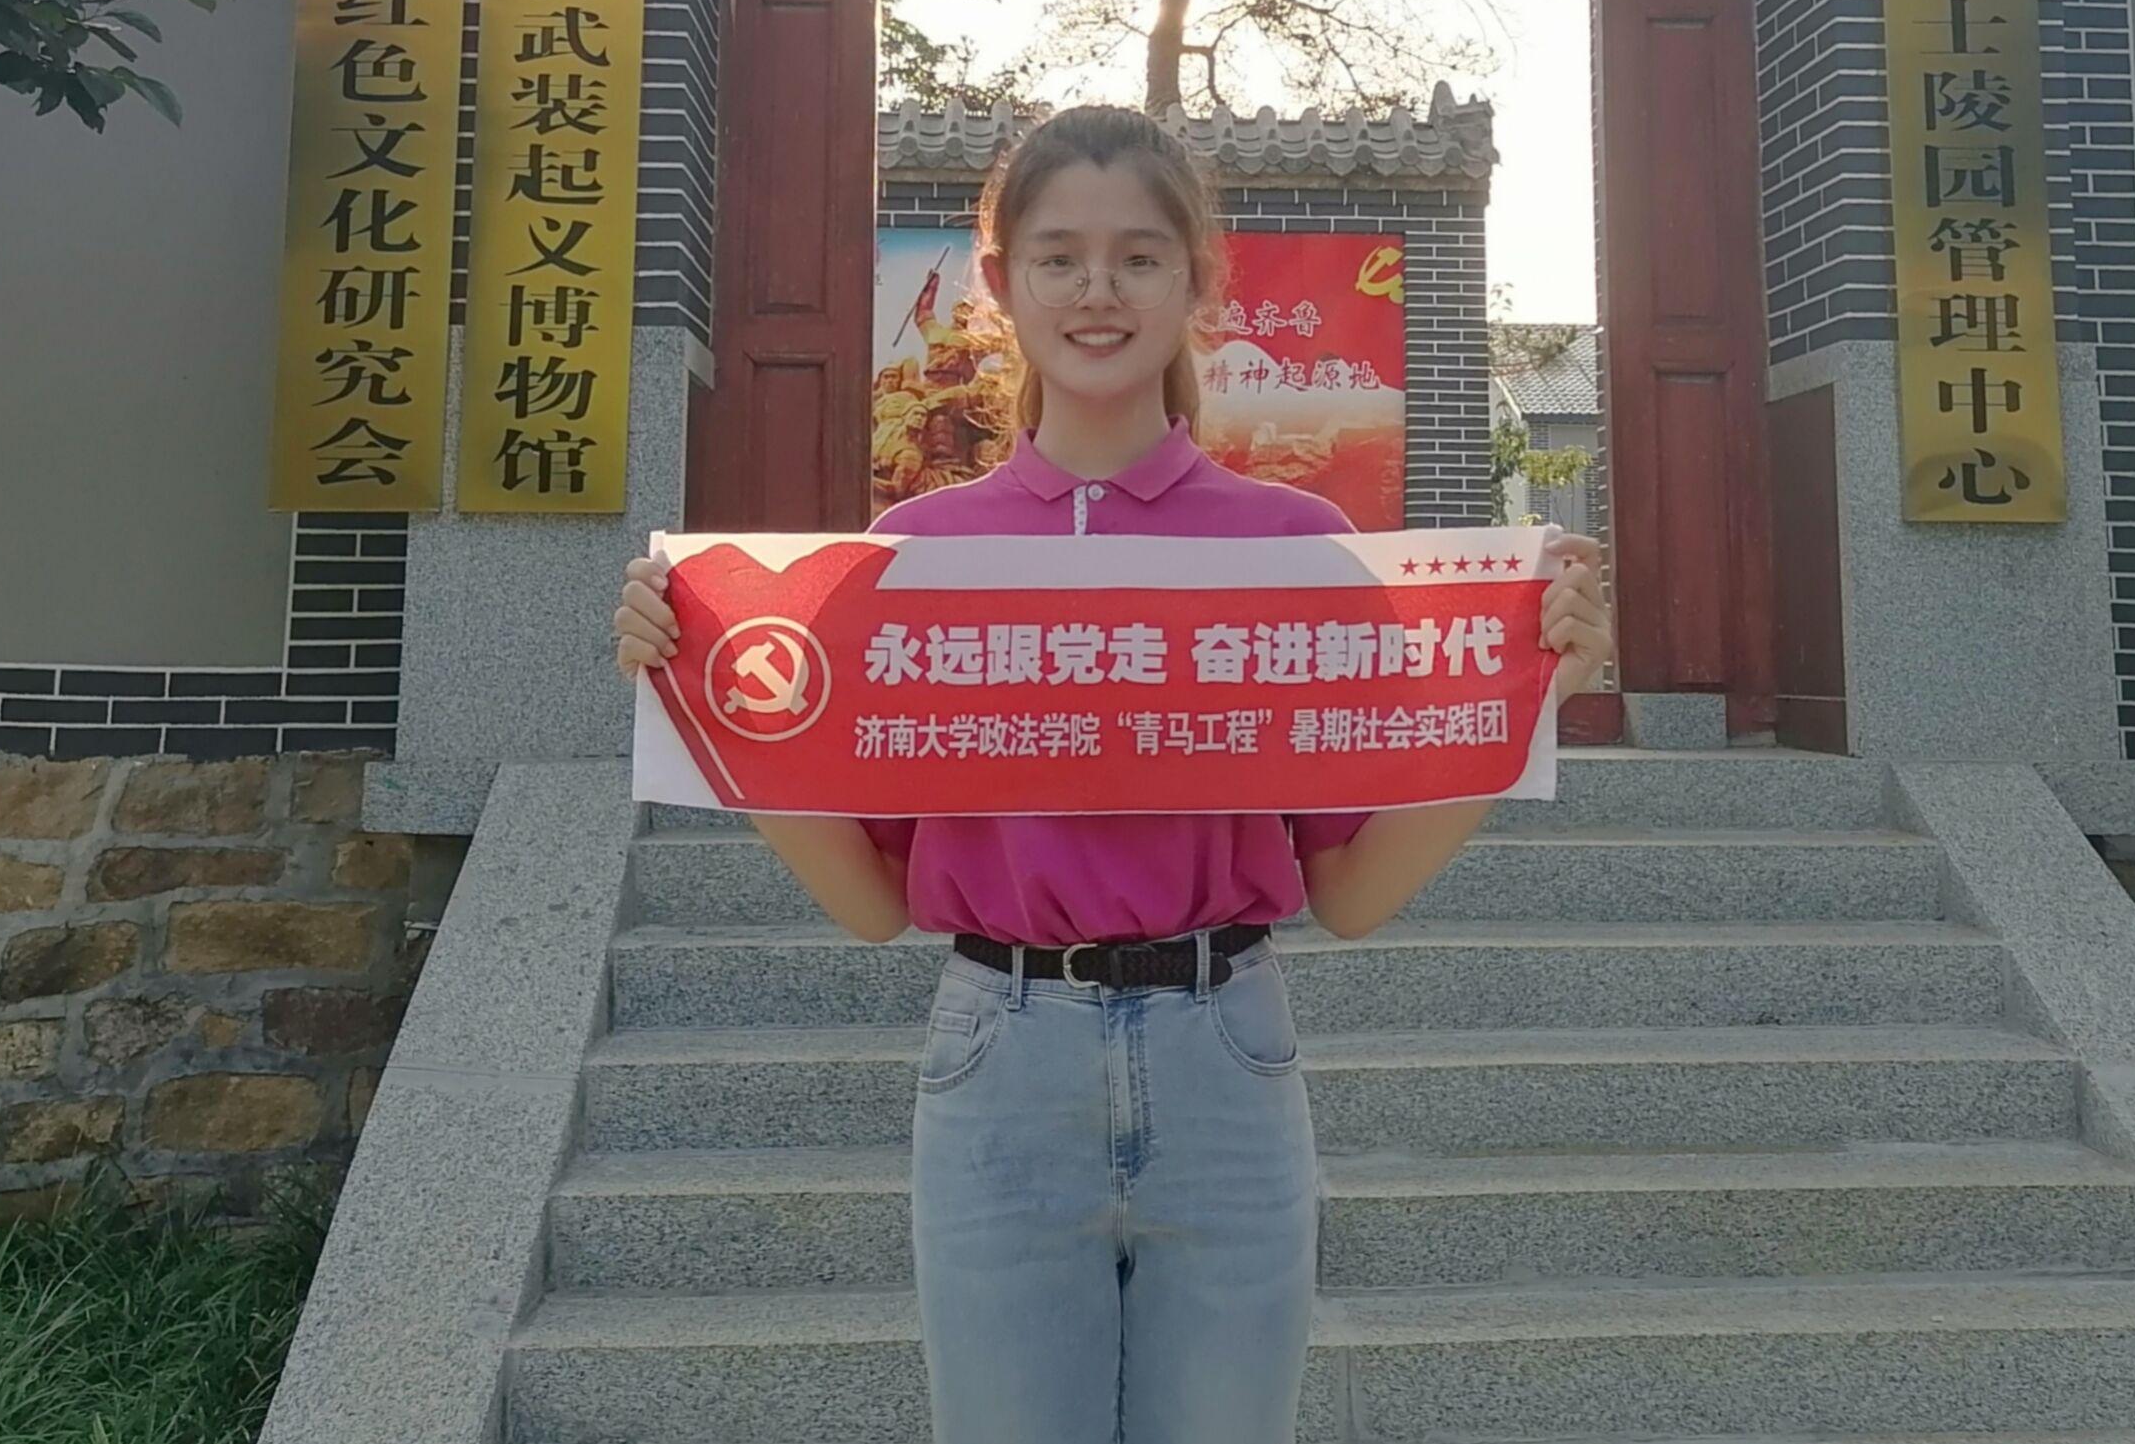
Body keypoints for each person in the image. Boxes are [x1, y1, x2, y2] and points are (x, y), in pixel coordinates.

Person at [616, 104, 1610, 1444]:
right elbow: (870, 901)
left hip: (1226, 1055)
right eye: (1059, 257)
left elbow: (1353, 892)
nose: (1098, 290)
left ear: (1199, 283)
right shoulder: (907, 559)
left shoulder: (1297, 548)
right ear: (999, 282)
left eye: (1139, 257)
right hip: (1000, 1058)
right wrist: (706, 699)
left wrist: (1525, 699)